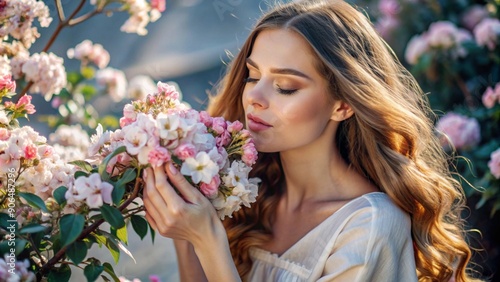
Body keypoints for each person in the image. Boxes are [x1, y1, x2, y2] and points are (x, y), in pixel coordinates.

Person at [142, 0, 480, 281]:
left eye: (285, 87)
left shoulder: (369, 227)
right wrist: (185, 229)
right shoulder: (247, 191)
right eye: (253, 75)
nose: (254, 98)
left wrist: (207, 238)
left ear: (342, 104)